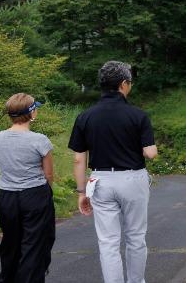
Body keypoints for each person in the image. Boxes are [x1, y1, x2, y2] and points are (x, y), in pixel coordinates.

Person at [68, 61, 158, 283]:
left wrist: (81, 192)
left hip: (100, 180)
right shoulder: (138, 116)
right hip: (133, 178)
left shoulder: (85, 116)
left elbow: (79, 158)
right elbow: (150, 153)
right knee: (135, 237)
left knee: (108, 242)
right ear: (124, 84)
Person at [0, 93, 56, 283]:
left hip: (6, 196)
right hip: (34, 194)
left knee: (11, 243)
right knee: (34, 245)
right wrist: (46, 194)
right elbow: (48, 174)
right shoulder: (39, 140)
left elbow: (1, 164)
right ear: (31, 113)